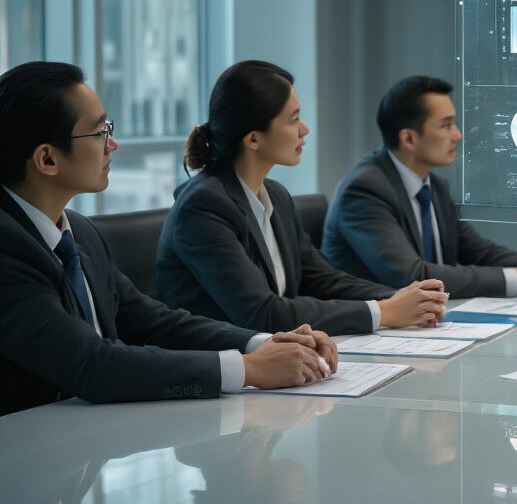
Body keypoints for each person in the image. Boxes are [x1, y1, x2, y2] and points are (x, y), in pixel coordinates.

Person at [0, 61, 338, 417]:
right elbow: (93, 365)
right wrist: (248, 369)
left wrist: (266, 344)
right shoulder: (7, 248)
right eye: (98, 133)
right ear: (47, 159)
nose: (112, 144)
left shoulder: (81, 232)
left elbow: (157, 323)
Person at [155, 61, 447, 336]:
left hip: (273, 355)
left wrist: (401, 299)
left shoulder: (276, 196)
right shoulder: (203, 206)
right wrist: (385, 312)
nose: (304, 129)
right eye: (294, 119)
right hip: (216, 362)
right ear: (253, 138)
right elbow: (263, 313)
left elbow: (321, 279)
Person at [322, 76, 517, 298]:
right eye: (446, 126)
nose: (457, 135)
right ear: (409, 139)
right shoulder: (364, 190)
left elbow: (480, 252)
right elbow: (412, 276)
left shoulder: (434, 186)